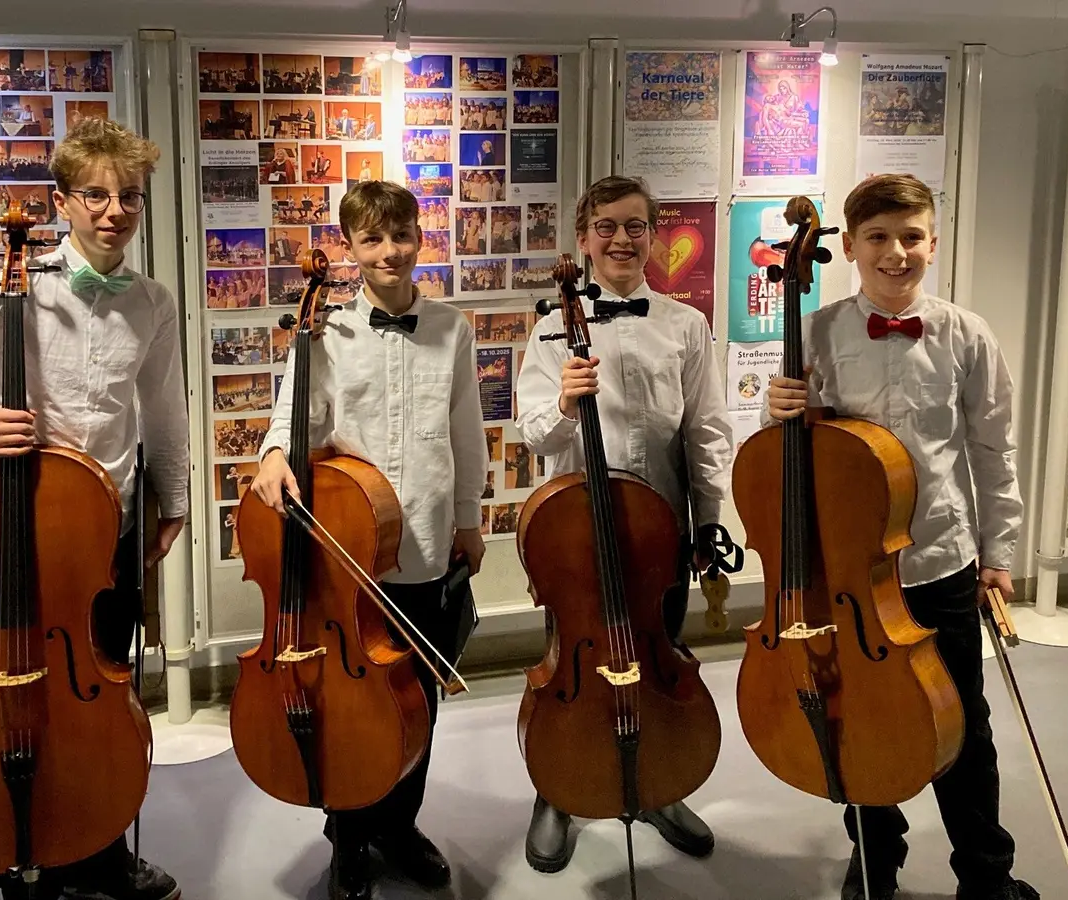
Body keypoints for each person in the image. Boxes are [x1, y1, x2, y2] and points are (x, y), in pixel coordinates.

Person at [0, 116, 188, 900]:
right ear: (63, 203)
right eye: (96, 196)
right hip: (22, 527)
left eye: (129, 197)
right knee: (16, 693)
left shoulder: (153, 302)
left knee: (100, 699)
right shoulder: (16, 290)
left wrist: (173, 499)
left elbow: (164, 411)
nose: (114, 211)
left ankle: (100, 850)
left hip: (113, 529)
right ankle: (17, 844)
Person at [762, 173, 1035, 900]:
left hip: (941, 562)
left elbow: (992, 452)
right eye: (879, 238)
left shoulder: (966, 333)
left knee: (964, 728)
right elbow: (795, 462)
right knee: (860, 720)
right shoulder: (815, 331)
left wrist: (1000, 555)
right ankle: (874, 855)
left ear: (933, 244)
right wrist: (777, 409)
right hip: (849, 574)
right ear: (848, 246)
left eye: (911, 237)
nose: (896, 253)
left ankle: (985, 874)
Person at [251, 179, 489, 900]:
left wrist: (470, 520)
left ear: (421, 238)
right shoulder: (324, 331)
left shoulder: (452, 327)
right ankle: (349, 835)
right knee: (350, 701)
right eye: (372, 239)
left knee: (417, 696)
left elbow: (466, 430)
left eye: (401, 235)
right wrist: (270, 453)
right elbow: (294, 417)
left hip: (423, 536)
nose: (390, 251)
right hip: (349, 546)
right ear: (351, 250)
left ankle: (398, 824)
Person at [513, 174, 734, 874]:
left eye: (635, 226)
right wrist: (567, 406)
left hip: (660, 534)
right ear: (583, 239)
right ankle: (557, 789)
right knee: (570, 668)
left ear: (652, 236)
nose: (620, 239)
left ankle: (661, 786)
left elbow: (706, 431)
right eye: (605, 226)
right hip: (578, 546)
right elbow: (533, 434)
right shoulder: (553, 329)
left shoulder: (684, 325)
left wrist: (708, 521)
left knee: (659, 658)